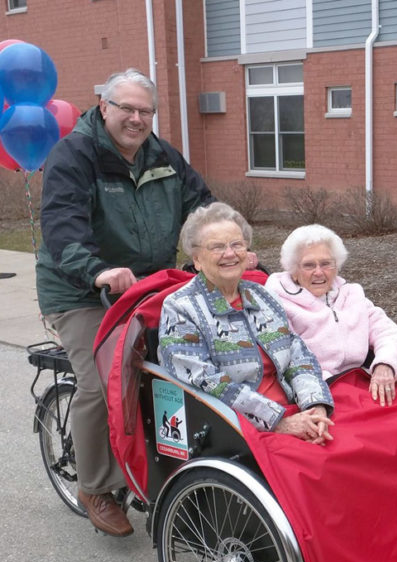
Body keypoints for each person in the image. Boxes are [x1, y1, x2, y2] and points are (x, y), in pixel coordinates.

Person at [37, 68, 214, 537]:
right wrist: (97, 271)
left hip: (149, 287)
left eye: (144, 111)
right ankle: (94, 487)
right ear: (104, 108)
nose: (136, 119)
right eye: (126, 108)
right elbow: (62, 227)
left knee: (186, 365)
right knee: (103, 379)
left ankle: (168, 467)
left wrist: (227, 242)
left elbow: (203, 208)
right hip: (80, 292)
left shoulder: (163, 155)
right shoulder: (75, 155)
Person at [158, 203, 334, 443]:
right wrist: (279, 422)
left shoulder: (262, 296)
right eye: (217, 247)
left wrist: (315, 408)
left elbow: (297, 355)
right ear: (197, 259)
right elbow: (208, 381)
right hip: (239, 428)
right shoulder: (180, 308)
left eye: (236, 244)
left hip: (296, 410)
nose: (230, 253)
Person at [264, 224, 397, 406]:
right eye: (309, 265)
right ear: (294, 271)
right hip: (321, 387)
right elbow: (289, 361)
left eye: (326, 264)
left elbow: (388, 332)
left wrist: (385, 364)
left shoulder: (352, 294)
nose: (319, 272)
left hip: (364, 376)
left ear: (337, 266)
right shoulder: (278, 303)